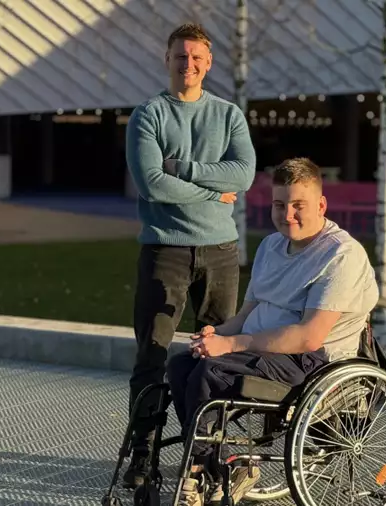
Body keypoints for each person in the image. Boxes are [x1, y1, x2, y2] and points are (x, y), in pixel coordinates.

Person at [165, 157, 379, 506]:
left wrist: (232, 343)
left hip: (310, 361)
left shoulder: (341, 254)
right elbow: (247, 314)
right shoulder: (270, 247)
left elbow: (310, 336)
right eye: (280, 205)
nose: (287, 214)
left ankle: (201, 471)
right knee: (182, 364)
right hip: (260, 349)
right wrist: (214, 335)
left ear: (321, 205)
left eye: (299, 205)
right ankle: (217, 466)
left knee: (211, 371)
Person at [123, 22, 256, 488]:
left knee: (216, 358)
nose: (190, 65)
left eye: (198, 57)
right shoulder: (149, 115)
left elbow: (243, 175)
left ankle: (208, 456)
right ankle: (143, 458)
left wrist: (185, 170)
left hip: (220, 253)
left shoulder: (228, 115)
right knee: (152, 357)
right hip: (165, 251)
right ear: (168, 59)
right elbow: (150, 182)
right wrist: (211, 192)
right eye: (181, 56)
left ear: (210, 62)